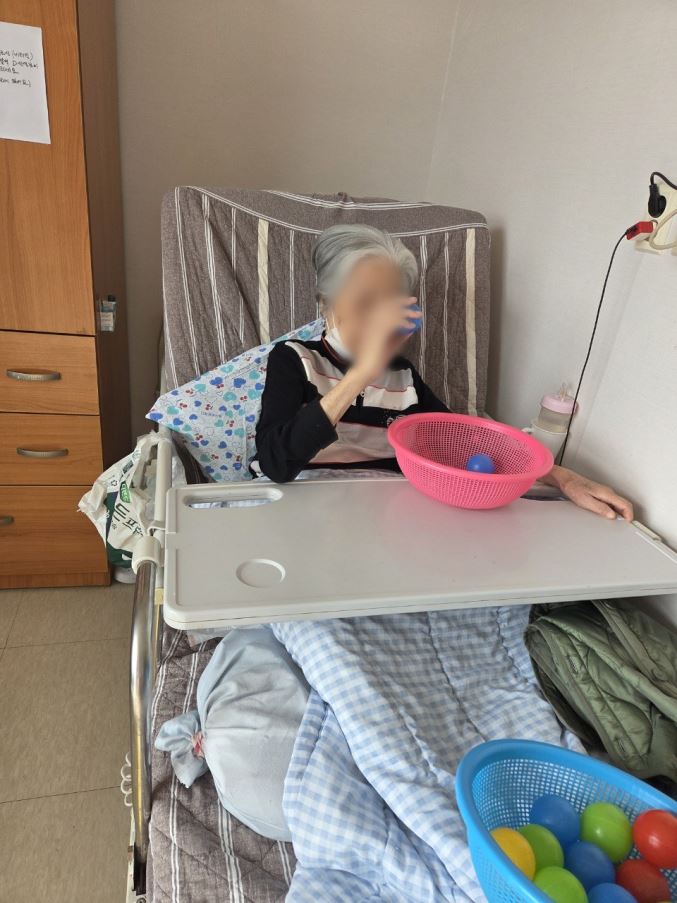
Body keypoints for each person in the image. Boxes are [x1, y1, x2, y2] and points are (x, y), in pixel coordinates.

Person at [255, 224, 633, 521]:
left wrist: (563, 478)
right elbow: (276, 464)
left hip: (378, 517)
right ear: (326, 303)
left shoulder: (403, 378)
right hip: (299, 509)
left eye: (390, 304)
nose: (379, 318)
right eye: (364, 300)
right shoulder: (293, 360)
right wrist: (361, 373)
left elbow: (466, 443)